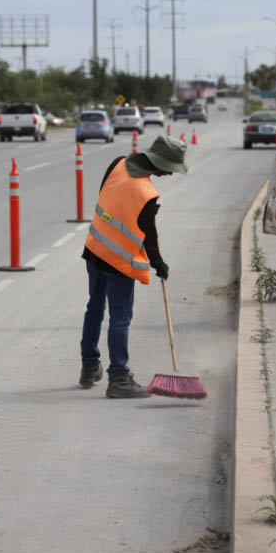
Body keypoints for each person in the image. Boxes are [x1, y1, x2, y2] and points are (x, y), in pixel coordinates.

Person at [79, 135, 188, 399]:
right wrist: (159, 264)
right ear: (159, 162)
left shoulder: (117, 163)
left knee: (94, 308)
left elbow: (109, 199)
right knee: (120, 318)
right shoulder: (147, 194)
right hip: (118, 261)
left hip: (95, 249)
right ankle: (119, 378)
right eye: (170, 168)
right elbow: (149, 238)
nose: (170, 174)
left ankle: (89, 366)